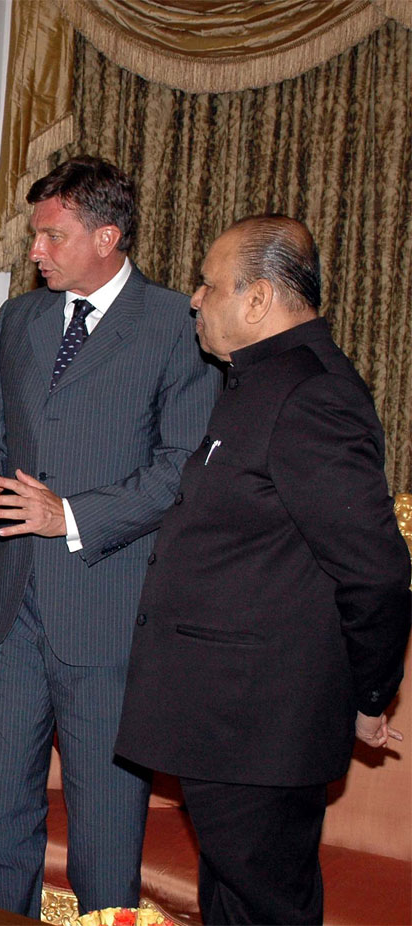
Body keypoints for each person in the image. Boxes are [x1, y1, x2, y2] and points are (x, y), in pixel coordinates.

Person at [0, 156, 220, 916]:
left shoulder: (177, 326)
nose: (35, 251)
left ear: (107, 236)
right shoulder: (22, 320)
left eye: (51, 237)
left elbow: (180, 469)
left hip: (108, 610)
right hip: (11, 609)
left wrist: (70, 515)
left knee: (104, 822)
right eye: (37, 236)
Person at [115, 216, 411, 925]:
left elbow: (373, 572)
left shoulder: (313, 394)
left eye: (210, 284)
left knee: (265, 909)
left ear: (258, 300)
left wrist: (369, 697)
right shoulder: (258, 381)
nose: (193, 298)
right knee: (233, 906)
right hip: (232, 723)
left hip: (261, 724)